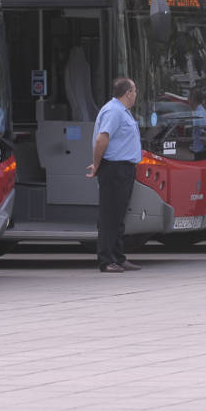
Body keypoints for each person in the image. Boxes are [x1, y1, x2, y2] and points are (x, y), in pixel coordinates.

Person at [87, 77, 142, 273]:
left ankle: (118, 257)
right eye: (134, 91)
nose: (136, 95)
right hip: (114, 169)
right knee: (109, 215)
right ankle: (106, 259)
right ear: (127, 93)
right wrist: (96, 164)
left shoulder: (123, 112)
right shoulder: (114, 111)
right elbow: (102, 139)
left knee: (119, 215)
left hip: (124, 169)